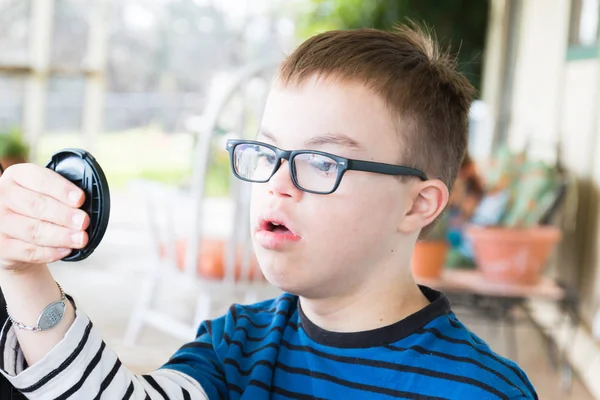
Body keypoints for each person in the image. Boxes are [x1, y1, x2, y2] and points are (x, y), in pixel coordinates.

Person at [0, 24, 537, 399]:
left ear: (418, 204)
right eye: (268, 152)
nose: (277, 184)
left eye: (322, 161)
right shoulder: (235, 346)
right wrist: (21, 272)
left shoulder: (483, 389)